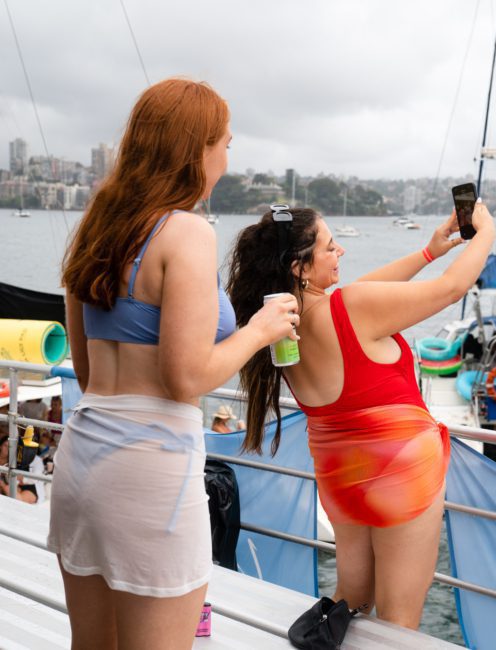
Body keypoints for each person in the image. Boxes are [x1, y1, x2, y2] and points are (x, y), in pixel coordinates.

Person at [47, 78, 298, 650]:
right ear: (196, 149)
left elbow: (86, 375)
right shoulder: (185, 232)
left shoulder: (96, 229)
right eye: (225, 144)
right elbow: (184, 379)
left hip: (84, 459)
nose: (228, 162)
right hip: (151, 473)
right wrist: (260, 331)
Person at [227, 201, 494, 629]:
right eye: (331, 248)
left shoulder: (284, 327)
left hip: (340, 475)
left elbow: (365, 291)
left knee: (351, 602)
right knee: (399, 620)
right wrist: (485, 235)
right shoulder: (350, 308)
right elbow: (451, 289)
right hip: (401, 472)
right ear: (299, 267)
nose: (341, 253)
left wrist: (429, 252)